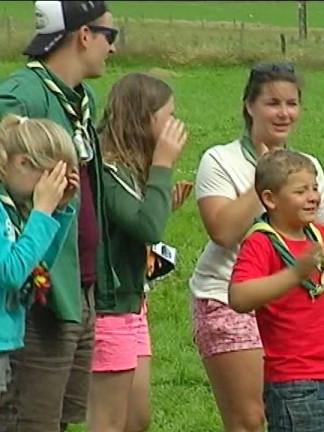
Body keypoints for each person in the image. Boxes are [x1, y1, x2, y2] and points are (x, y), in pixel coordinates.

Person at [189, 63, 324, 431]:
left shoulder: (309, 166)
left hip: (289, 303)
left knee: (291, 413)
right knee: (250, 420)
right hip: (226, 297)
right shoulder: (220, 159)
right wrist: (266, 176)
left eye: (292, 103)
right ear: (250, 106)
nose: (284, 113)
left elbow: (321, 239)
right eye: (272, 103)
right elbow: (222, 230)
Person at [0, 1, 119, 430]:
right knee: (30, 420)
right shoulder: (21, 95)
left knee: (62, 419)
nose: (113, 49)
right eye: (111, 36)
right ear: (83, 35)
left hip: (80, 285)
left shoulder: (80, 99)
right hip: (40, 293)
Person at [228, 149, 324, 432]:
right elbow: (239, 297)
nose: (312, 196)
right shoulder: (262, 242)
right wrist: (295, 273)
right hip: (294, 384)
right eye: (300, 191)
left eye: (314, 188)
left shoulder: (323, 236)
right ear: (270, 199)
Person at [87, 73, 189, 432]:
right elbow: (147, 228)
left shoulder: (129, 171)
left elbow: (140, 224)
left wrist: (160, 203)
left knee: (136, 419)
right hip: (110, 308)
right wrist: (162, 167)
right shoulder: (110, 169)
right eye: (168, 115)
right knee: (110, 422)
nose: (175, 125)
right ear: (144, 118)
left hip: (132, 304)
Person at [0, 114, 78, 396]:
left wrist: (57, 210)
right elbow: (10, 274)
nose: (53, 190)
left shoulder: (13, 209)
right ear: (22, 162)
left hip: (7, 340)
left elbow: (36, 268)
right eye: (52, 178)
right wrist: (42, 212)